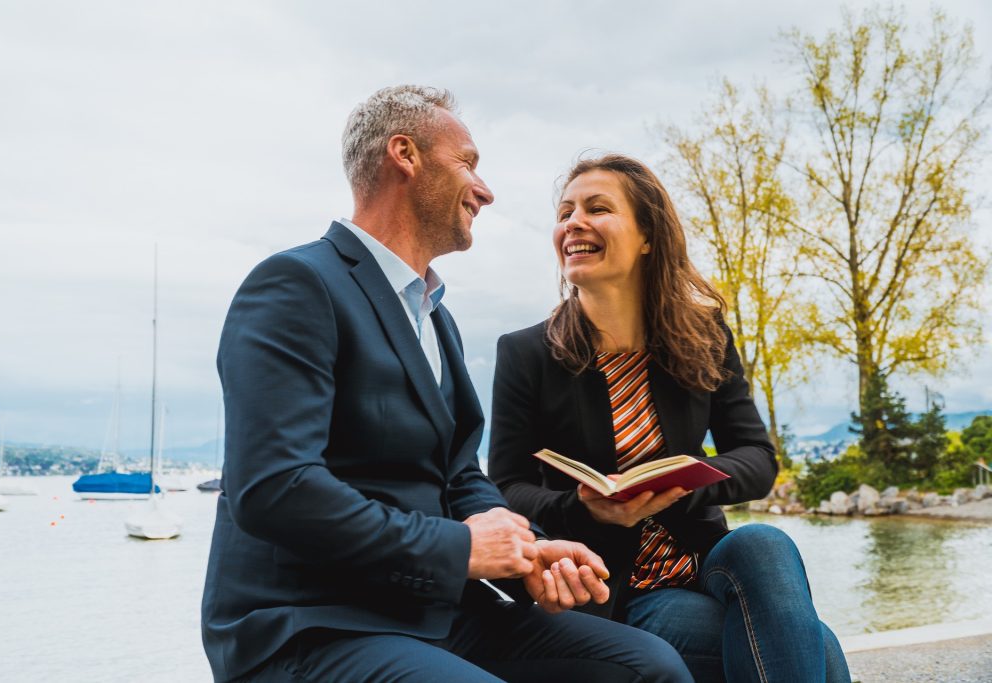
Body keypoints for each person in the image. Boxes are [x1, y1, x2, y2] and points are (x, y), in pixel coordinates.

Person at [201, 88, 692, 683]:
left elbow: (460, 478)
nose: (484, 191)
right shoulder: (296, 285)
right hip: (312, 624)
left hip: (439, 614)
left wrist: (529, 552)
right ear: (404, 155)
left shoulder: (436, 316)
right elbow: (275, 488)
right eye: (468, 163)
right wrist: (459, 551)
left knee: (651, 666)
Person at [488, 153, 852, 682]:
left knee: (765, 543)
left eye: (597, 208)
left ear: (647, 237)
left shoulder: (703, 337)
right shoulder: (526, 353)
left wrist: (683, 483)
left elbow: (757, 459)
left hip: (706, 564)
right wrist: (586, 509)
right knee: (817, 647)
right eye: (565, 211)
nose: (573, 222)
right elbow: (507, 485)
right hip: (615, 586)